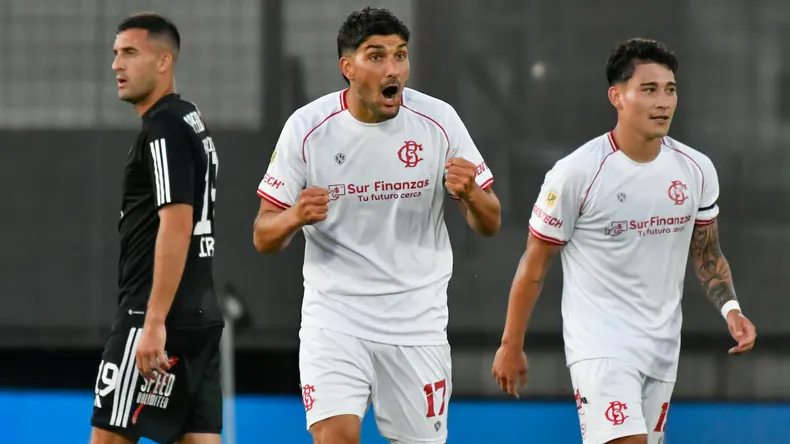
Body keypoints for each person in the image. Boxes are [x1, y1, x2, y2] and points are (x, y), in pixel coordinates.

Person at [253, 7, 501, 444]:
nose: (393, 69)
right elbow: (263, 234)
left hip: (416, 322)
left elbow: (491, 222)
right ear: (347, 68)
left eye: (400, 55)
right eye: (377, 56)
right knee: (337, 438)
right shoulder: (308, 128)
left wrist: (472, 194)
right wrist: (294, 216)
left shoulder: (438, 120)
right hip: (335, 317)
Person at [491, 38, 757, 444]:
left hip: (663, 346)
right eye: (648, 90)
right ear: (617, 96)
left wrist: (732, 310)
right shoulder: (577, 173)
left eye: (670, 90)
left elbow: (707, 252)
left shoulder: (696, 169)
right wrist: (511, 344)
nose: (663, 101)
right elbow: (535, 263)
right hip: (600, 345)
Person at [90, 13, 224, 444]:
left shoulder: (163, 127)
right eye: (115, 54)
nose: (117, 65)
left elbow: (177, 223)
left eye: (130, 52)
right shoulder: (189, 118)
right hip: (200, 316)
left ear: (164, 61)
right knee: (199, 437)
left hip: (153, 316)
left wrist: (152, 321)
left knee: (108, 438)